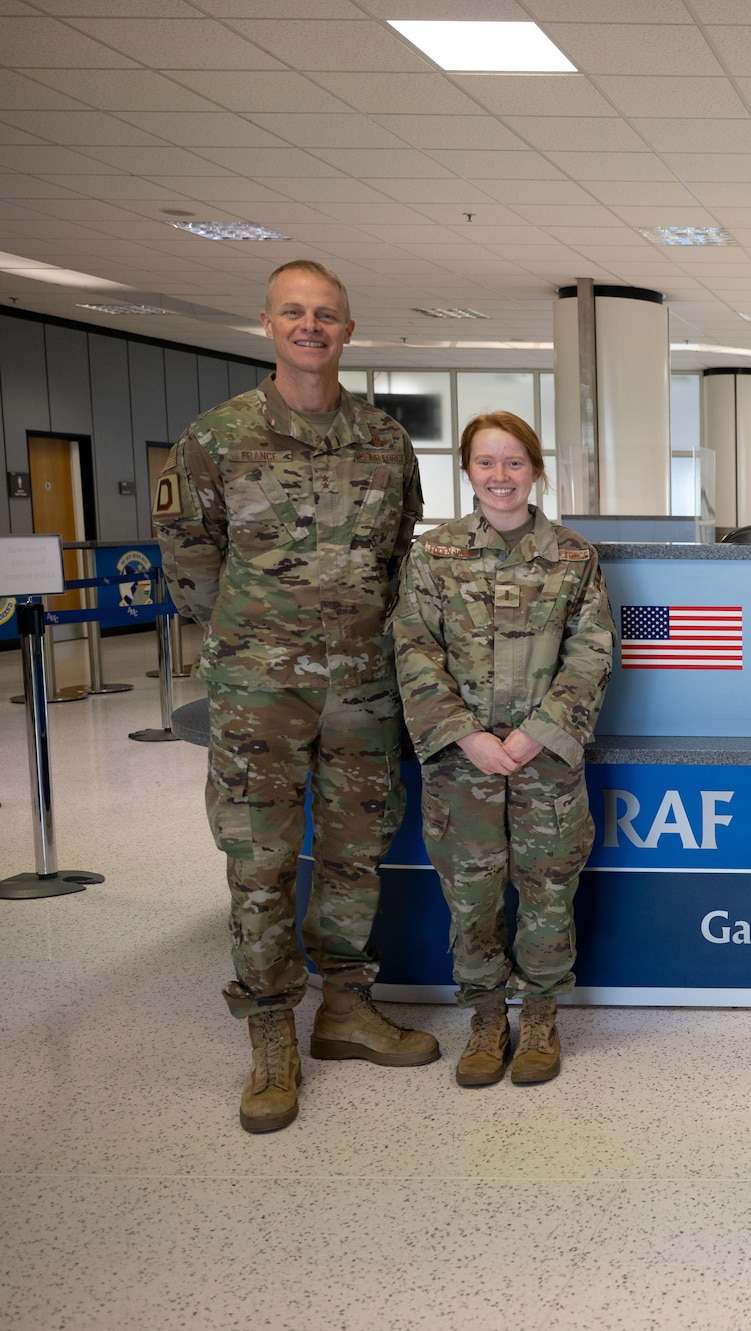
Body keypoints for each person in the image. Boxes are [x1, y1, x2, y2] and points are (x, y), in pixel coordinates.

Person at [156, 259, 435, 1134]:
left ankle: (345, 1009)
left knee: (356, 854)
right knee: (261, 862)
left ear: (348, 330)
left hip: (363, 688)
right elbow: (189, 559)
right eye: (294, 313)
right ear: (267, 324)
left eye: (326, 314)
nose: (310, 326)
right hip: (259, 694)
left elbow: (400, 557)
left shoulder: (387, 442)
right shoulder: (216, 439)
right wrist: (252, 638)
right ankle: (270, 1034)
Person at [392, 412, 613, 1087]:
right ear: (466, 472)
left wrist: (532, 734)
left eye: (513, 462)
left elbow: (594, 651)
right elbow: (412, 648)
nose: (500, 476)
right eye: (485, 463)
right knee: (472, 894)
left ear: (536, 469)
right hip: (463, 765)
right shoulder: (435, 555)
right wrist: (467, 734)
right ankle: (487, 1018)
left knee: (549, 889)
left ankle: (541, 1016)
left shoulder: (574, 556)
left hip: (545, 761)